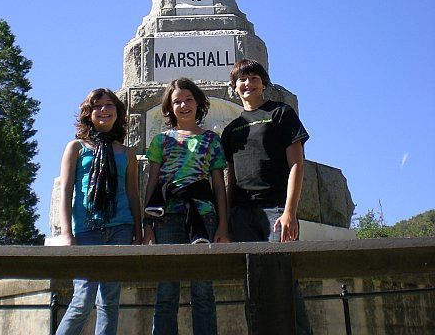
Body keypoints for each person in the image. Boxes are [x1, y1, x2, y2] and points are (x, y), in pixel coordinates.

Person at [220, 59, 313, 335]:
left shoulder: (281, 113)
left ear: (263, 82)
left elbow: (297, 163)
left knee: (283, 278)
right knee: (253, 284)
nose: (248, 84)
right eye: (242, 80)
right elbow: (230, 179)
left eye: (254, 78)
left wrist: (289, 211)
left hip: (276, 210)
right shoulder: (231, 129)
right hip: (242, 213)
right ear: (235, 87)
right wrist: (225, 223)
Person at [142, 77, 229, 335]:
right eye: (177, 101)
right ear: (169, 108)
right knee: (166, 290)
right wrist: (147, 225)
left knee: (203, 290)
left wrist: (223, 224)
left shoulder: (212, 140)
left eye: (188, 99)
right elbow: (152, 183)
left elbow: (218, 186)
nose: (183, 105)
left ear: (198, 102)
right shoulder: (161, 140)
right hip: (167, 216)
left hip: (204, 216)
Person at [56, 87, 141, 335]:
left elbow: (133, 193)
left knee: (109, 301)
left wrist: (138, 230)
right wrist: (66, 232)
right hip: (86, 230)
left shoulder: (127, 152)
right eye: (97, 106)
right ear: (88, 114)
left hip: (121, 229)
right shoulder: (76, 147)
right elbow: (67, 191)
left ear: (118, 112)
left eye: (109, 106)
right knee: (82, 299)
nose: (104, 110)